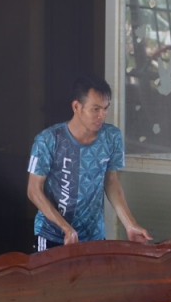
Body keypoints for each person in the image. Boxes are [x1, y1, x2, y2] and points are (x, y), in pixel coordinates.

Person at [26, 75, 151, 251]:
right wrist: (66, 228)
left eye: (105, 108)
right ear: (76, 106)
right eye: (95, 109)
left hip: (94, 235)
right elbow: (33, 191)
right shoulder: (48, 140)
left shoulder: (112, 137)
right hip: (53, 234)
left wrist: (130, 224)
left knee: (94, 279)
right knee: (53, 279)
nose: (102, 115)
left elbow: (111, 182)